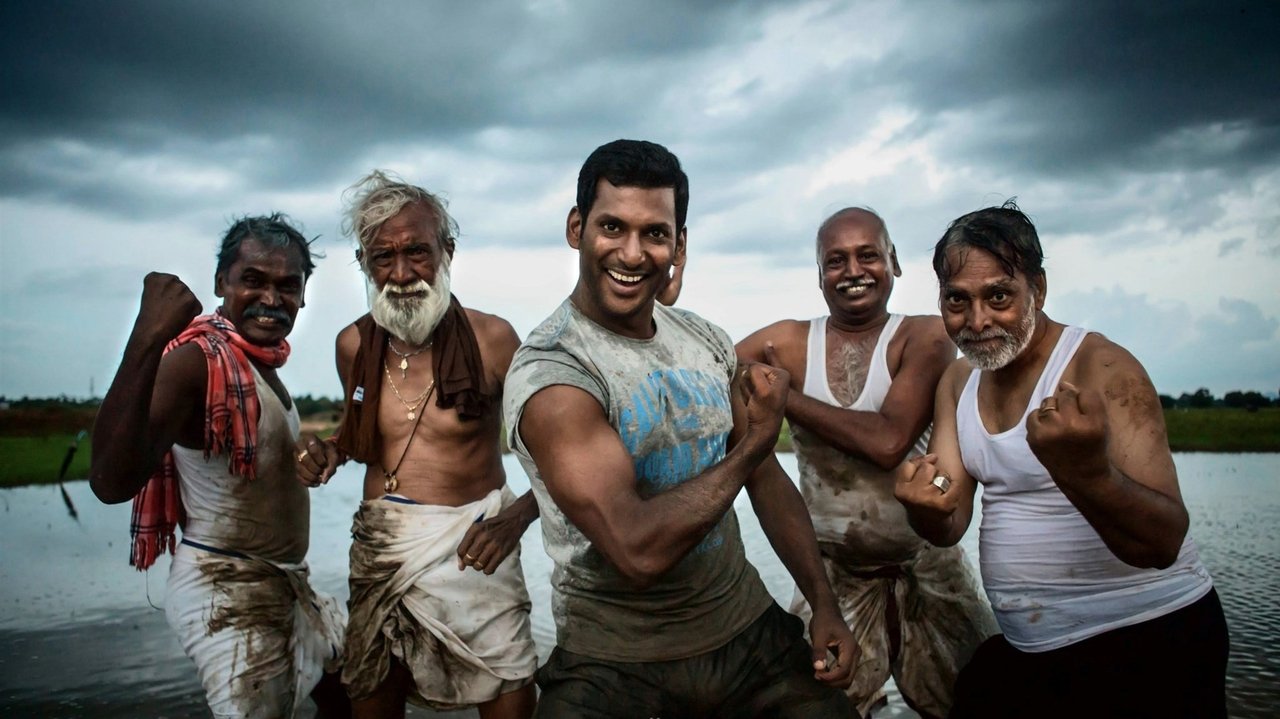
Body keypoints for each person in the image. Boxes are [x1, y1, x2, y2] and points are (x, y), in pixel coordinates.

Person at [503, 139, 860, 718]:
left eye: (655, 233)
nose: (632, 252)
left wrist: (823, 603)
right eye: (612, 227)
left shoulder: (704, 338)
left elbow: (767, 482)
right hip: (614, 662)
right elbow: (636, 551)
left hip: (749, 636)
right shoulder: (554, 372)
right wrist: (755, 443)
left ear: (679, 245)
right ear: (576, 228)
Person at [895, 201, 1228, 718]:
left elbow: (1163, 543)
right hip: (1035, 653)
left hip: (1149, 641)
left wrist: (1087, 472)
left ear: (1039, 289)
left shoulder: (1103, 368)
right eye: (957, 300)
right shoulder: (958, 381)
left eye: (998, 296)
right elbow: (949, 515)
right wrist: (924, 504)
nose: (977, 321)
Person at [736, 207, 996, 718]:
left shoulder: (924, 336)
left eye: (868, 256)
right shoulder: (786, 342)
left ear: (893, 263)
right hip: (833, 573)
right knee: (812, 705)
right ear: (819, 275)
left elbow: (888, 441)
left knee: (979, 696)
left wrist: (784, 397)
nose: (853, 271)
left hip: (927, 563)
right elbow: (710, 368)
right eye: (835, 261)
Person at [296, 171, 538, 719]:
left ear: (446, 251)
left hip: (477, 553)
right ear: (363, 263)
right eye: (383, 257)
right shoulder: (352, 344)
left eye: (417, 252)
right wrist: (327, 450)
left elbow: (556, 462)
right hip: (382, 551)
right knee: (371, 688)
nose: (402, 274)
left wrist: (515, 519)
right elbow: (362, 435)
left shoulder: (494, 339)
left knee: (509, 687)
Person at [89, 215, 347, 719]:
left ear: (302, 295)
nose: (271, 298)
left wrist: (309, 454)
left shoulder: (260, 366)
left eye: (287, 285)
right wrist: (148, 335)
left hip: (283, 579)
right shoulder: (200, 361)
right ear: (220, 283)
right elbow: (110, 482)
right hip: (225, 587)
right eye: (253, 280)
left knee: (352, 692)